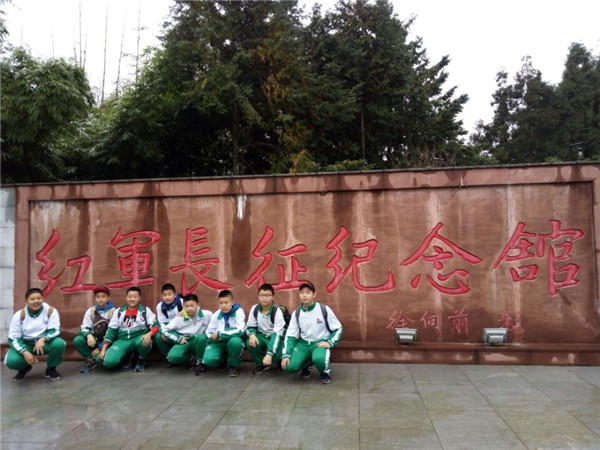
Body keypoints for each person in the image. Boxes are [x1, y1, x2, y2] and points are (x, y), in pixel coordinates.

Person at [281, 281, 343, 384]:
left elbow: (338, 328)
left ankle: (324, 373)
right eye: (302, 293)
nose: (304, 295)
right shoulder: (297, 313)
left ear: (314, 295)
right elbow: (291, 335)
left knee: (319, 358)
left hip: (319, 343)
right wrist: (286, 354)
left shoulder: (323, 309)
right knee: (288, 366)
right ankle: (308, 363)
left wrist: (330, 342)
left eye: (308, 292)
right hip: (303, 344)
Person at [5, 288, 66, 382]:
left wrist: (43, 339)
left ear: (43, 299)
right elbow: (13, 338)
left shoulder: (50, 311)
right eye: (32, 299)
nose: (36, 301)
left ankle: (51, 369)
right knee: (12, 361)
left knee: (59, 343)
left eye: (39, 298)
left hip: (44, 343)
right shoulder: (19, 315)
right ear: (26, 301)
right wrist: (25, 352)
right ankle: (24, 368)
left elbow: (55, 330)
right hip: (26, 344)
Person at [98, 286, 158, 372]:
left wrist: (149, 334)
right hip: (122, 340)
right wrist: (103, 349)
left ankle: (141, 360)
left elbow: (155, 326)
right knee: (105, 361)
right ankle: (126, 357)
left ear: (140, 298)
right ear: (126, 297)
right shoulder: (119, 311)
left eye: (135, 297)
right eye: (130, 297)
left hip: (138, 338)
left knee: (144, 341)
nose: (132, 299)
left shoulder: (145, 310)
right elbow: (111, 331)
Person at [161, 293, 213, 375]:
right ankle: (190, 358)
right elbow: (165, 330)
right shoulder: (180, 317)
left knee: (201, 337)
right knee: (172, 357)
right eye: (187, 306)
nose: (189, 308)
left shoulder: (207, 314)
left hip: (199, 342)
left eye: (192, 305)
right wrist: (179, 338)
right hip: (185, 340)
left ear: (197, 305)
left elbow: (216, 323)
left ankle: (199, 362)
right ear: (183, 306)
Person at [202, 290, 246, 377]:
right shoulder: (216, 314)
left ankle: (232, 366)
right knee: (208, 360)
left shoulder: (239, 312)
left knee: (236, 342)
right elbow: (209, 331)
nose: (223, 306)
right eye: (221, 303)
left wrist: (220, 334)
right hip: (218, 342)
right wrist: (214, 336)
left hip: (232, 340)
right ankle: (222, 361)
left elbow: (240, 330)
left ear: (232, 302)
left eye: (226, 302)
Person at [73, 285, 116, 373]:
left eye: (103, 297)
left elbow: (114, 332)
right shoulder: (91, 311)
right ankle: (90, 359)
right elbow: (84, 326)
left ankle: (97, 358)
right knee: (78, 340)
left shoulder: (114, 312)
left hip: (108, 342)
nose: (100, 299)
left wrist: (100, 348)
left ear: (108, 298)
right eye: (98, 297)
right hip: (94, 340)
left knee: (102, 360)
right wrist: (89, 335)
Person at [246, 283, 286, 374]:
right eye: (262, 295)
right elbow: (250, 326)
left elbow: (277, 334)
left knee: (275, 356)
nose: (264, 298)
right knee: (250, 342)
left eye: (267, 295)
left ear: (272, 297)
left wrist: (269, 353)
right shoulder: (255, 309)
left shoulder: (277, 311)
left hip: (276, 337)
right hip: (262, 336)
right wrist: (252, 335)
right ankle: (261, 364)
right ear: (258, 296)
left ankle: (278, 360)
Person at [153, 283, 185, 366]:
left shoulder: (182, 303)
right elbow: (162, 323)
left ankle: (187, 358)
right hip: (169, 329)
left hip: (182, 328)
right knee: (158, 337)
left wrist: (184, 312)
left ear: (175, 295)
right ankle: (168, 358)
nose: (167, 297)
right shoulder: (160, 306)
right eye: (164, 295)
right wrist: (165, 333)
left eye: (169, 294)